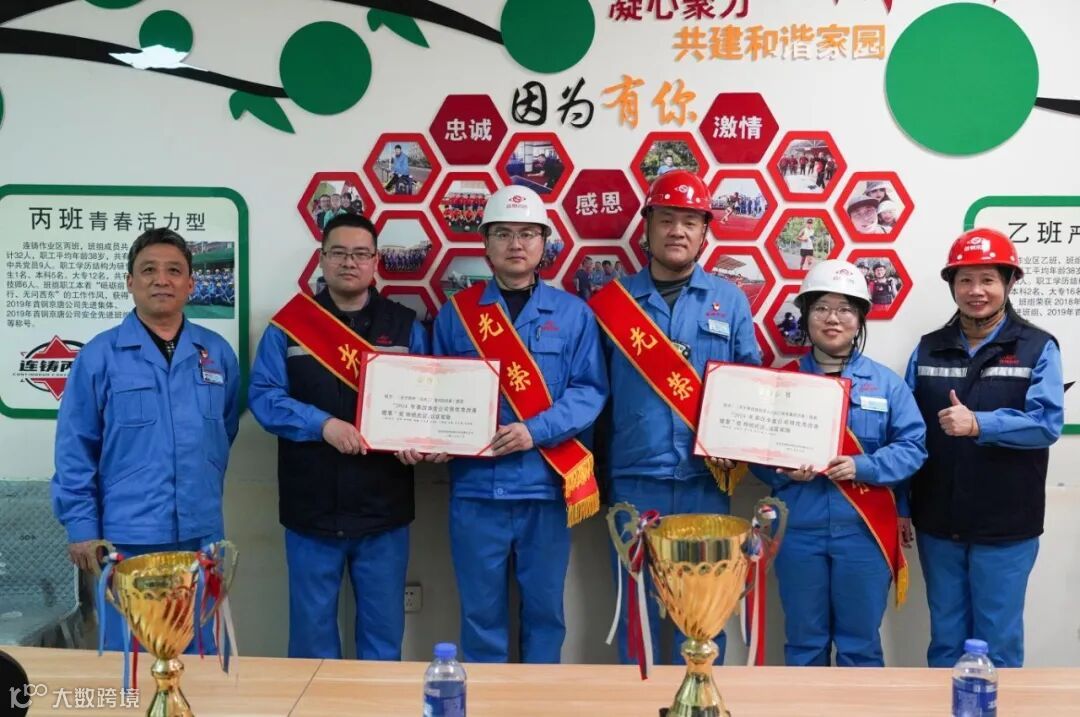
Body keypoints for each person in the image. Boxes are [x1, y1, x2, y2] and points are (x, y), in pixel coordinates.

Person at [431, 186, 608, 663]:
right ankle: (486, 699)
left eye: (528, 233)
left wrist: (535, 430)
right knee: (479, 616)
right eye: (503, 233)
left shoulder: (573, 315)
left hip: (544, 489)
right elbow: (434, 391)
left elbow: (589, 391)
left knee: (546, 615)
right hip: (476, 491)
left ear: (544, 243)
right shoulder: (457, 315)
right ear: (485, 244)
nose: (516, 244)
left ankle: (540, 700)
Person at [589, 170, 759, 665]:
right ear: (647, 227)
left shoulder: (729, 301)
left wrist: (736, 446)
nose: (677, 231)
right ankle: (639, 700)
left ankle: (702, 698)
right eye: (666, 219)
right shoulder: (613, 304)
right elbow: (595, 396)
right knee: (637, 619)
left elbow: (748, 387)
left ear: (705, 231)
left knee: (706, 614)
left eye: (690, 221)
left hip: (706, 482)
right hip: (634, 481)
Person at [248, 213, 429, 660]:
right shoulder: (289, 326)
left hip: (383, 510)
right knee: (311, 642)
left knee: (383, 639)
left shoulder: (406, 327)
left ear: (375, 261)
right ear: (322, 258)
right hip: (311, 509)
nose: (350, 262)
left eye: (361, 254)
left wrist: (421, 440)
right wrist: (322, 425)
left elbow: (429, 398)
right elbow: (264, 397)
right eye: (339, 253)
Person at [51, 228, 240, 651]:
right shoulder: (100, 356)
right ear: (130, 281)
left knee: (200, 652)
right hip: (128, 537)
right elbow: (75, 448)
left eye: (174, 271)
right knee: (135, 656)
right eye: (149, 270)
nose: (161, 280)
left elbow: (224, 428)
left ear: (191, 284)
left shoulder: (216, 353)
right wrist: (82, 527)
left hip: (200, 533)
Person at [752, 260, 926, 666]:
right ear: (806, 315)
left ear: (860, 318)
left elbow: (913, 446)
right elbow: (755, 451)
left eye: (845, 309)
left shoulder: (886, 384)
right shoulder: (780, 383)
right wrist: (781, 469)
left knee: (859, 646)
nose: (833, 319)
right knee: (804, 643)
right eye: (822, 308)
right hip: (798, 531)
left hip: (863, 532)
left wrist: (862, 466)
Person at [905, 228, 1064, 668]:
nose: (976, 291)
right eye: (966, 280)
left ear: (1009, 282)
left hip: (1006, 524)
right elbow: (907, 433)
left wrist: (979, 423)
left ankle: (998, 703)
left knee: (998, 643)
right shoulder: (928, 349)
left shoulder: (1037, 347)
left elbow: (1046, 424)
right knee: (945, 639)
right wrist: (901, 503)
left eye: (988, 279)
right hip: (938, 521)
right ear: (953, 286)